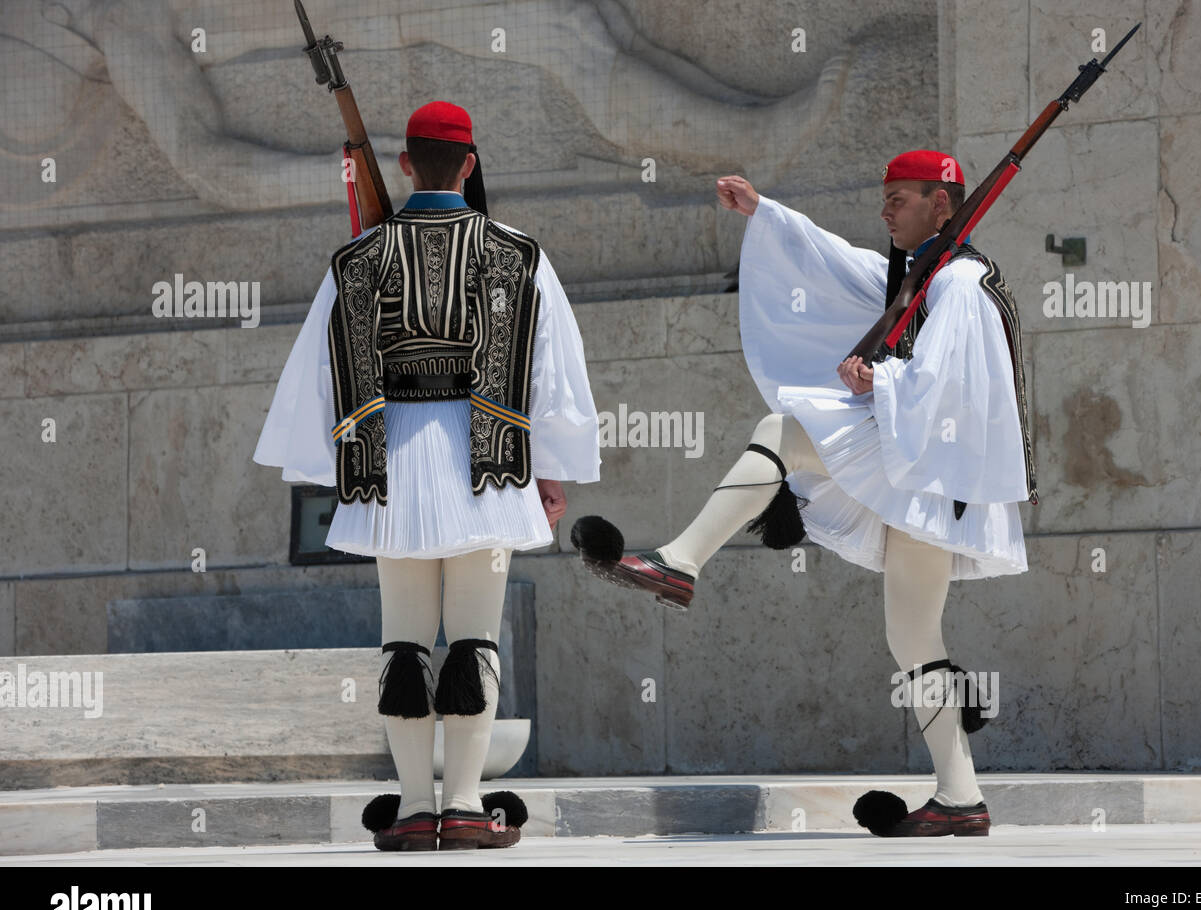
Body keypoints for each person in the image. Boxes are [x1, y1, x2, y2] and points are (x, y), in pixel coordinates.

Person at [572, 150, 1036, 837]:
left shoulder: (961, 285)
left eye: (900, 199)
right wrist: (766, 214)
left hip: (933, 470)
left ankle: (681, 561)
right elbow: (831, 258)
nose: (885, 210)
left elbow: (951, 386)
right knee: (911, 635)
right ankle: (961, 797)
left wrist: (875, 383)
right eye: (885, 198)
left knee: (787, 429)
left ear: (943, 205)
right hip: (928, 479)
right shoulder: (918, 275)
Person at [254, 101, 600, 850]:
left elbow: (322, 368)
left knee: (403, 642)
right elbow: (552, 370)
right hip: (489, 460)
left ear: (406, 164)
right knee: (475, 639)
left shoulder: (358, 258)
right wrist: (554, 467)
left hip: (393, 466)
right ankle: (468, 804)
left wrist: (330, 467)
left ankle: (414, 808)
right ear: (470, 165)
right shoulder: (518, 252)